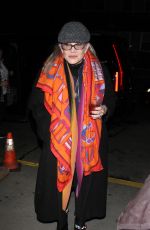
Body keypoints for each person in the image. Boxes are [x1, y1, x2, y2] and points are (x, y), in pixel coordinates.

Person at [29, 21, 116, 230]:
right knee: (60, 184)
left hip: (89, 139)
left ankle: (80, 219)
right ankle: (61, 221)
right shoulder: (49, 70)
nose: (73, 50)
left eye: (78, 44)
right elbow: (35, 105)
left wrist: (105, 109)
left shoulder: (99, 69)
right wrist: (48, 132)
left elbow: (111, 99)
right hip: (59, 140)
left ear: (87, 46)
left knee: (84, 181)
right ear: (61, 47)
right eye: (67, 45)